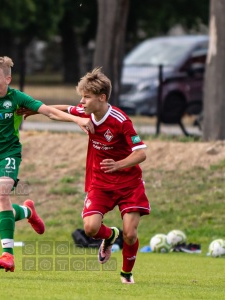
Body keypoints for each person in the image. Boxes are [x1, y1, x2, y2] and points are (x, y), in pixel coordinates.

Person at [0, 56, 94, 272]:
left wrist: (78, 120)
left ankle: (8, 256)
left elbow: (48, 111)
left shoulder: (17, 98)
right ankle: (28, 212)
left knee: (2, 196)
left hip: (8, 154)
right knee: (5, 211)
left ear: (8, 79)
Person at [19, 67, 149, 284]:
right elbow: (65, 110)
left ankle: (126, 275)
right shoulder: (86, 112)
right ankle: (109, 236)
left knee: (131, 234)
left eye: (86, 97)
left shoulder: (120, 120)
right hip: (101, 183)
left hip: (129, 184)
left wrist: (118, 165)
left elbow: (141, 153)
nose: (82, 101)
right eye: (81, 96)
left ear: (102, 97)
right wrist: (36, 110)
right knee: (90, 228)